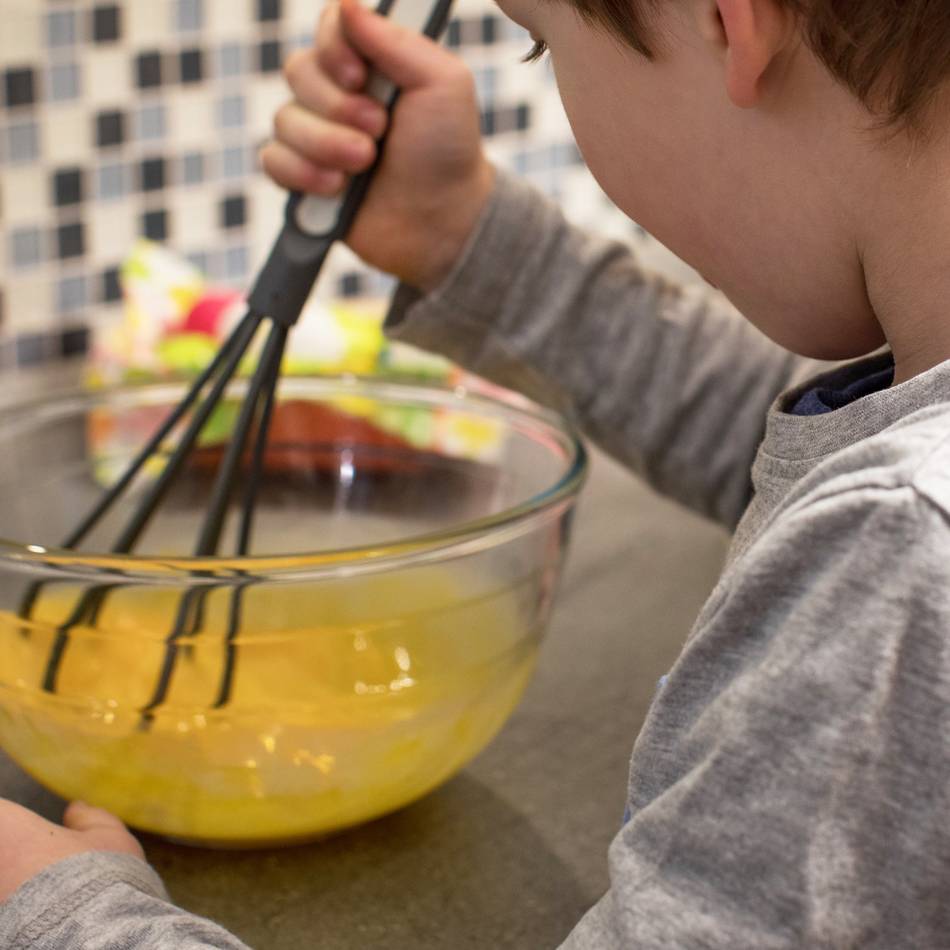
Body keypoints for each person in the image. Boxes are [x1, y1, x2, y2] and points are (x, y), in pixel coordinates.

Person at [4, 0, 950, 945]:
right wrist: (468, 239)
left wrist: (69, 918)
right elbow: (793, 448)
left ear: (729, 24)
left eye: (542, 41)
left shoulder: (902, 550)